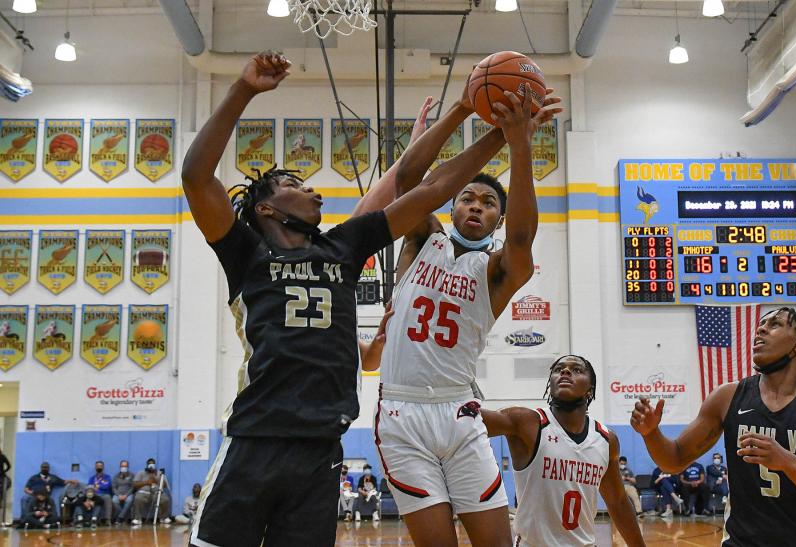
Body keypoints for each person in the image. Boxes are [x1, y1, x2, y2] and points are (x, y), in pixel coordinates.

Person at [183, 51, 533, 547]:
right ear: (265, 208)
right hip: (256, 437)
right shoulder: (245, 254)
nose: (316, 194)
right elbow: (197, 177)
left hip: (322, 448)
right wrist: (243, 90)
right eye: (297, 186)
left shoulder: (342, 247)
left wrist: (496, 126)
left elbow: (432, 187)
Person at [371, 71, 563, 545]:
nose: (477, 206)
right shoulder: (420, 241)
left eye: (490, 202)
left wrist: (520, 144)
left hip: (460, 412)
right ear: (452, 208)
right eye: (468, 198)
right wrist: (460, 109)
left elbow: (523, 237)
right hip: (402, 412)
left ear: (498, 216)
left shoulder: (499, 271)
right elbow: (410, 179)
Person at [631, 307, 796, 544]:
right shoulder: (728, 397)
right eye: (761, 323)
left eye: (775, 324)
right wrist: (650, 433)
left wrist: (787, 461)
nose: (761, 328)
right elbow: (674, 458)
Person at [478, 355, 645, 547]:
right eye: (559, 369)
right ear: (550, 384)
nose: (565, 371)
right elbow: (470, 423)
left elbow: (618, 502)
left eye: (576, 370)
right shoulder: (526, 422)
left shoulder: (606, 440)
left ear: (590, 390)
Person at [131, 458, 171, 525]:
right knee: (138, 498)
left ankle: (164, 518)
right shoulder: (141, 473)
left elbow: (164, 485)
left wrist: (156, 478)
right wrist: (146, 482)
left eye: (152, 464)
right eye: (149, 464)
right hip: (144, 493)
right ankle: (137, 518)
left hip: (156, 493)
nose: (151, 465)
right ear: (147, 465)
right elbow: (134, 484)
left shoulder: (159, 473)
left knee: (165, 499)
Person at [112, 460, 134, 524]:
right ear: (120, 467)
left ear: (128, 467)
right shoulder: (116, 476)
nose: (123, 467)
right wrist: (118, 495)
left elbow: (133, 487)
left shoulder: (132, 475)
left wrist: (126, 495)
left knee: (129, 500)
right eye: (122, 466)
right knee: (114, 501)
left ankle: (120, 517)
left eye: (125, 466)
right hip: (118, 494)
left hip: (128, 494)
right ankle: (124, 517)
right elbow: (114, 487)